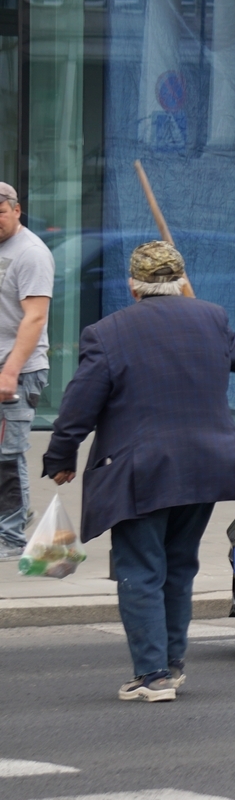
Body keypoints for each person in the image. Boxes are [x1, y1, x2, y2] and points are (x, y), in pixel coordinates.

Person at [43, 240, 235, 702]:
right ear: (180, 281)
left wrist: (60, 458)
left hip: (143, 470)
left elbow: (78, 406)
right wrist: (202, 311)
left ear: (133, 286)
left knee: (140, 569)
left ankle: (152, 676)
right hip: (206, 466)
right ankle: (171, 664)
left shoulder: (108, 332)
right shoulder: (210, 317)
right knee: (178, 567)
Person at [0, 182, 54, 561]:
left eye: (0, 212)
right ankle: (14, 516)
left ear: (17, 210)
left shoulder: (31, 253)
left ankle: (11, 537)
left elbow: (35, 317)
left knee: (8, 453)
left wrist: (10, 372)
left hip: (18, 368)